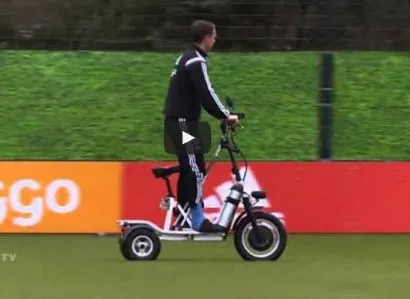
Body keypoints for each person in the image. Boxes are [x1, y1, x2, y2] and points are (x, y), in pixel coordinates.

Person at [163, 20, 239, 233]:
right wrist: (226, 115)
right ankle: (197, 219)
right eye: (214, 36)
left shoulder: (184, 57)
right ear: (206, 37)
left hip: (180, 122)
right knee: (195, 168)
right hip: (183, 124)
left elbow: (202, 93)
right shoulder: (196, 61)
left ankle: (185, 212)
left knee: (191, 167)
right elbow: (207, 93)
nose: (215, 40)